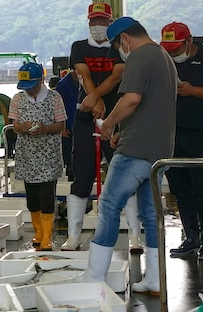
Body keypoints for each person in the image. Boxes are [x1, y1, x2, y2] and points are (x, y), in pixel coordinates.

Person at [77, 16, 177, 296]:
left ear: (125, 40)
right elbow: (153, 104)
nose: (122, 52)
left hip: (136, 150)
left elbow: (131, 99)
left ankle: (95, 277)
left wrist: (109, 125)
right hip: (159, 150)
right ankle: (156, 280)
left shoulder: (139, 57)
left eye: (120, 47)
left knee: (108, 206)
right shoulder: (163, 57)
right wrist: (125, 128)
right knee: (150, 214)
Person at [61, 2, 143, 253]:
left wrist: (97, 99)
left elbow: (117, 76)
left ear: (110, 22)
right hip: (86, 116)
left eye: (102, 22)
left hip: (117, 116)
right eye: (94, 22)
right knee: (82, 174)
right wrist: (93, 99)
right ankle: (73, 236)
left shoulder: (118, 47)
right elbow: (83, 74)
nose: (98, 26)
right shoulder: (79, 47)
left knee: (124, 174)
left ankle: (134, 236)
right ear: (88, 22)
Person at [160, 22, 203, 259]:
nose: (171, 54)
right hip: (172, 133)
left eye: (175, 49)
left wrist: (193, 91)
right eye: (168, 49)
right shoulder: (163, 61)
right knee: (181, 189)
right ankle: (191, 236)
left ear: (189, 42)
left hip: (202, 133)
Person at [9, 62, 66, 251]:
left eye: (33, 86)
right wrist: (22, 128)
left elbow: (61, 125)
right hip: (27, 155)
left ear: (42, 80)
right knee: (32, 197)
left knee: (47, 195)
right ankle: (38, 233)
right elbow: (14, 124)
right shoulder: (17, 99)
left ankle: (48, 237)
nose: (30, 91)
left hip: (49, 155)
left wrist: (45, 129)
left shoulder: (54, 97)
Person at [55, 69, 79, 181]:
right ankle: (70, 174)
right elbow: (58, 107)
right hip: (68, 126)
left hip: (80, 124)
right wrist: (62, 127)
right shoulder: (63, 85)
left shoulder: (85, 82)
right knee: (68, 154)